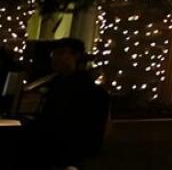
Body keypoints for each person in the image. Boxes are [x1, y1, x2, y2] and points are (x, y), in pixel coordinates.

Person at [19, 38, 109, 170]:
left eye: (60, 53)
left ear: (76, 56)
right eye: (53, 54)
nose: (55, 58)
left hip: (65, 155)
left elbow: (86, 132)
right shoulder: (55, 83)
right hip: (52, 150)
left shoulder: (89, 91)